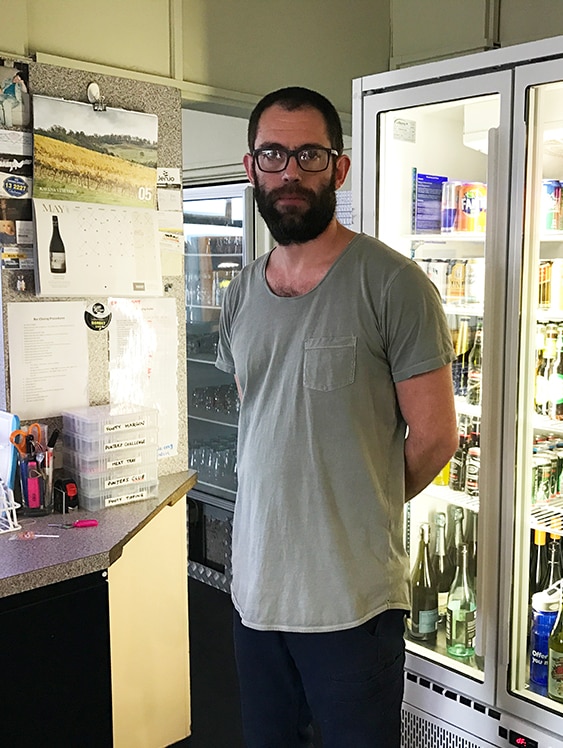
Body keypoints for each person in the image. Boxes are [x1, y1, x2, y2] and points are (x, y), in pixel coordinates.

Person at [215, 86, 458, 748]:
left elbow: (436, 436)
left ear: (338, 168)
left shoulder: (392, 284)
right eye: (273, 154)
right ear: (251, 168)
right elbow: (259, 420)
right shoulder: (240, 293)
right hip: (256, 594)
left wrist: (360, 498)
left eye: (308, 155)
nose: (289, 172)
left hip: (351, 606)